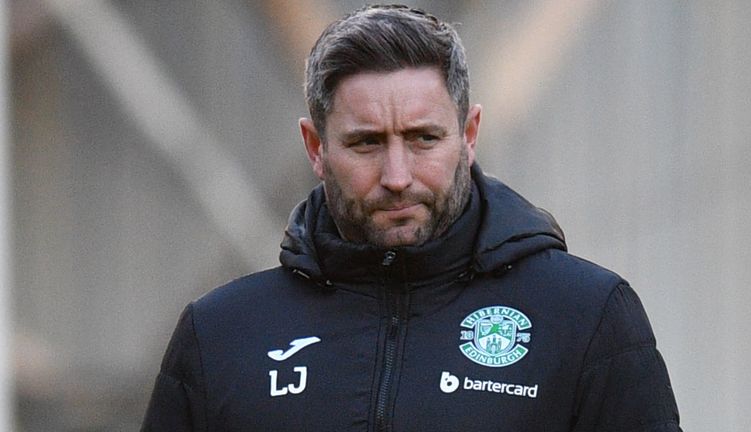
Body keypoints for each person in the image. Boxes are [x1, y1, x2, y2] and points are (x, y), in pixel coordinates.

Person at [142, 4, 682, 431]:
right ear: (315, 146)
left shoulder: (586, 319)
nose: (397, 175)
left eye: (424, 138)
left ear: (468, 135)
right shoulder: (221, 335)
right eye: (366, 143)